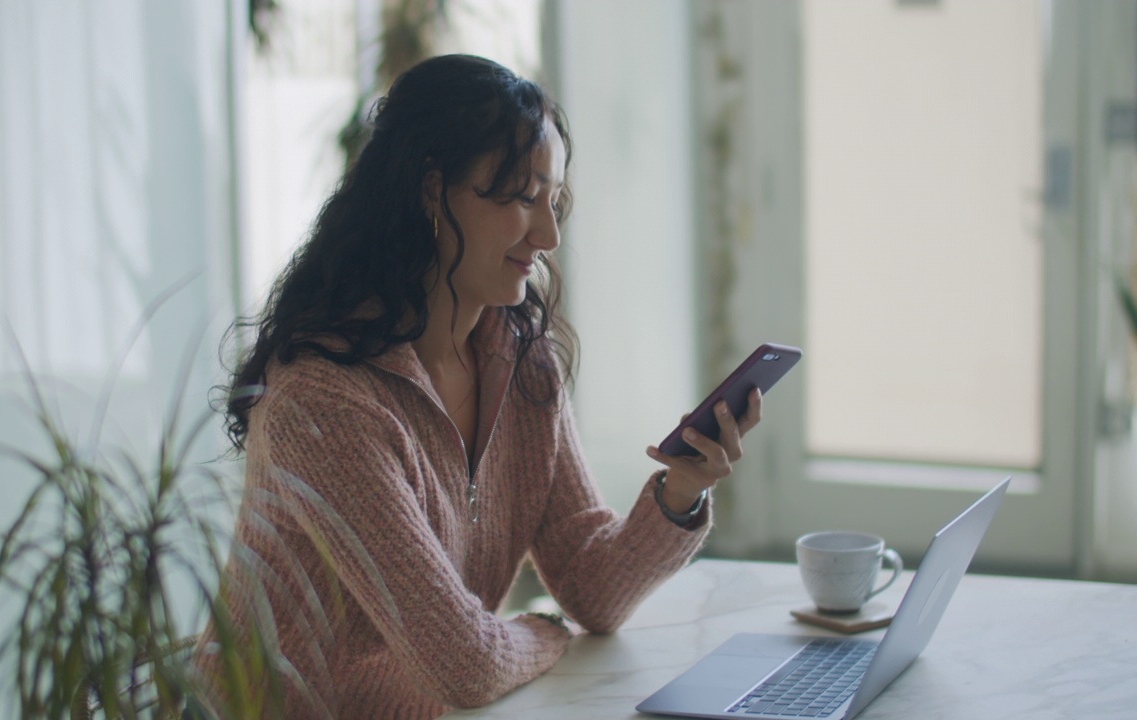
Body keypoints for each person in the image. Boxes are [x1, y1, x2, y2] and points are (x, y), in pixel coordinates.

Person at [192, 53, 762, 720]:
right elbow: (466, 663)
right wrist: (544, 632)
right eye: (522, 198)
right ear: (432, 191)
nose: (548, 235)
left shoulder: (524, 364)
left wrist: (679, 491)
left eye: (553, 201)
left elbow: (590, 587)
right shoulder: (324, 401)